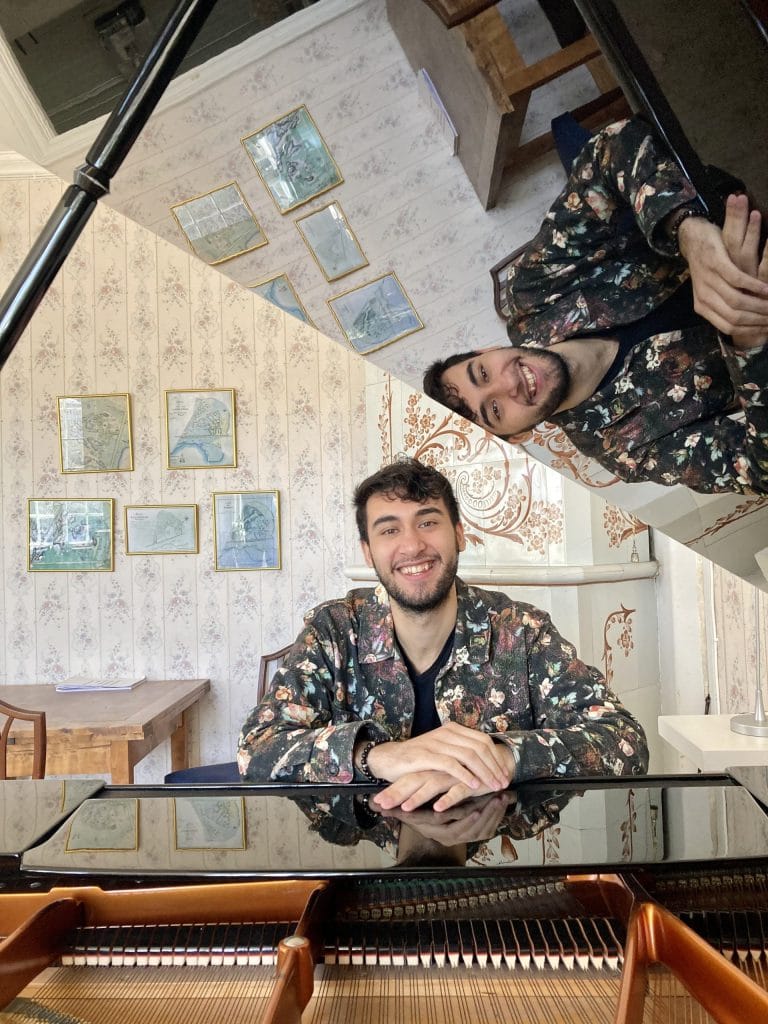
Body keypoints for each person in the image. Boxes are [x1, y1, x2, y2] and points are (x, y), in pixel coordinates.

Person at [237, 459, 648, 815]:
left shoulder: (520, 632)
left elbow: (624, 740)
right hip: (366, 871)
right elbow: (256, 749)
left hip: (496, 870)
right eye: (389, 530)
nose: (413, 545)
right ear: (368, 552)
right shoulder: (333, 632)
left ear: (459, 534)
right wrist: (378, 756)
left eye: (428, 522)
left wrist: (503, 758)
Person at [423, 118, 768, 494]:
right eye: (494, 411)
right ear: (518, 436)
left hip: (738, 201)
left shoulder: (534, 289)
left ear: (484, 351)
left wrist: (686, 230)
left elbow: (606, 149)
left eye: (483, 374)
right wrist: (751, 343)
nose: (509, 383)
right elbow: (759, 471)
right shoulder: (625, 449)